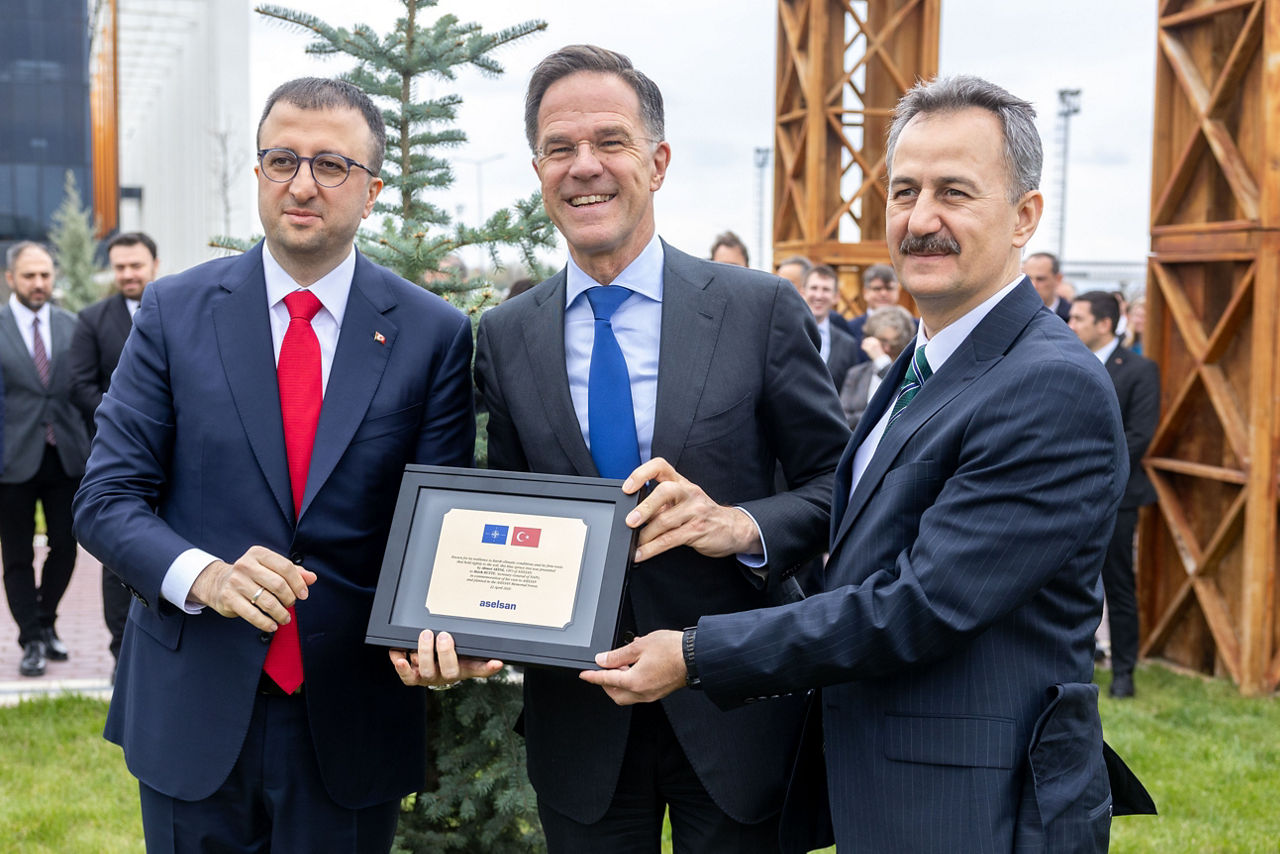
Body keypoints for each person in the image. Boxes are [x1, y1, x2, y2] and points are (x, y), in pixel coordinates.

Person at [583, 74, 1151, 851]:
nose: (921, 220)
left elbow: (918, 606)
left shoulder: (1048, 385)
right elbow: (864, 533)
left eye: (954, 192)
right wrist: (736, 526)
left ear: (1024, 217)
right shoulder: (928, 359)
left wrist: (695, 652)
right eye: (905, 190)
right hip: (892, 785)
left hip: (975, 808)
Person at [73, 77, 499, 852]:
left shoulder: (432, 334)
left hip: (350, 715)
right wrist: (204, 575)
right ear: (259, 175)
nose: (302, 184)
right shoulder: (173, 313)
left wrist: (447, 629)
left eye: (331, 165)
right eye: (281, 160)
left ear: (371, 192)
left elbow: (439, 524)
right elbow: (106, 499)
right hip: (191, 703)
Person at [459, 44, 848, 853]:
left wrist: (741, 525)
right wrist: (469, 626)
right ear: (539, 171)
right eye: (560, 149)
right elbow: (508, 509)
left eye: (610, 142)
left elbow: (836, 486)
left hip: (736, 706)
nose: (585, 167)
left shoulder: (759, 309)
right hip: (580, 718)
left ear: (658, 161)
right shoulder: (506, 334)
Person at [68, 231, 160, 670]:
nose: (128, 274)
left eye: (135, 265)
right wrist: (127, 416)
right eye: (120, 267)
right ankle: (120, 648)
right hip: (118, 453)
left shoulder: (177, 310)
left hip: (173, 456)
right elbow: (79, 384)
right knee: (118, 550)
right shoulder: (92, 319)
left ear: (153, 265)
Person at [1, 242, 90, 677]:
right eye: (29, 275)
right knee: (16, 555)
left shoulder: (73, 325)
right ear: (10, 278)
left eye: (45, 275)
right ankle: (31, 640)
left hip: (67, 457)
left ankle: (47, 620)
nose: (39, 283)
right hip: (10, 462)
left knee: (66, 546)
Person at [1069, 290, 1160, 698]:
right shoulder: (1065, 362)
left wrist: (1088, 470)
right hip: (1067, 495)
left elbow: (1139, 435)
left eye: (1079, 319)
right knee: (1068, 585)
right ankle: (1074, 665)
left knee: (1118, 583)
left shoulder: (1139, 370)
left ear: (1104, 324)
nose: (1071, 326)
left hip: (1117, 496)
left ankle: (1124, 672)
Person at [838, 304, 915, 429]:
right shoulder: (857, 373)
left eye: (894, 343)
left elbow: (903, 412)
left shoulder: (911, 374)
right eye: (882, 342)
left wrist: (883, 363)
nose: (887, 348)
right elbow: (843, 418)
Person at [802, 264, 859, 386]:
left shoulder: (848, 345)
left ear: (836, 297)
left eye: (826, 289)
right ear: (802, 293)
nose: (819, 296)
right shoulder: (787, 335)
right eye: (814, 288)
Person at [846, 263, 905, 362]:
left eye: (889, 288)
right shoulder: (850, 328)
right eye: (877, 288)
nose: (883, 293)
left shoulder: (913, 326)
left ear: (897, 291)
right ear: (865, 292)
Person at [1022, 251, 1072, 321]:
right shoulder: (1013, 313)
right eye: (1028, 279)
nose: (1033, 285)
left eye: (1040, 279)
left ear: (1058, 279)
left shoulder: (1072, 317)